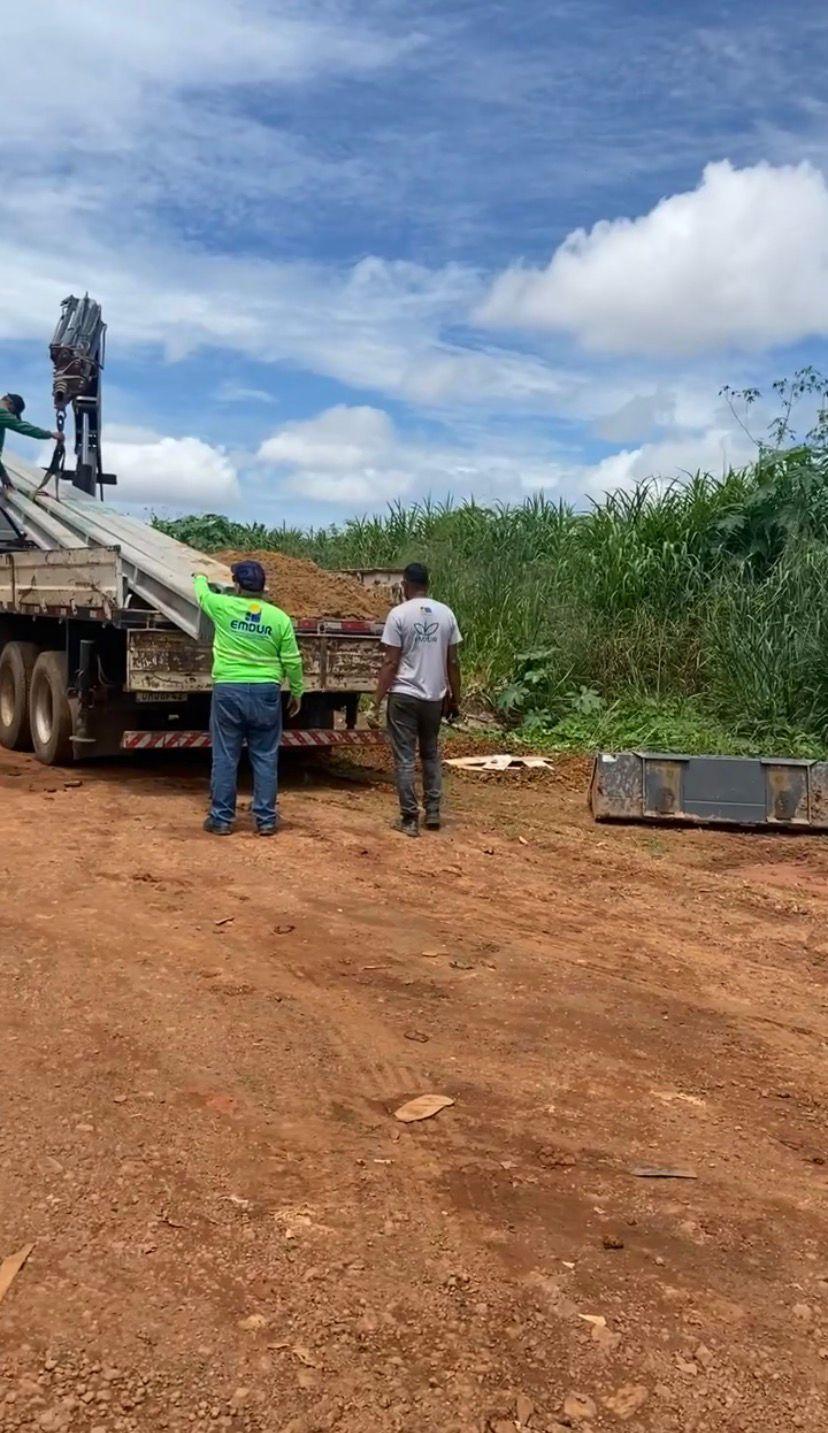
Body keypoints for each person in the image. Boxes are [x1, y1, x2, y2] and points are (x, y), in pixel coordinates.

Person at [193, 559, 304, 836]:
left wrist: (200, 577)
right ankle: (265, 820)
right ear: (263, 588)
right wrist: (298, 692)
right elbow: (293, 661)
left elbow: (202, 595)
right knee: (266, 756)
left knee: (226, 755)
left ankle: (221, 819)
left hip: (229, 690)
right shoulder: (279, 618)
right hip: (267, 692)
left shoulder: (223, 606)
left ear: (237, 586)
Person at [372, 561, 461, 837]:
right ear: (428, 585)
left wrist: (376, 700)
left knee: (405, 758)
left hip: (404, 695)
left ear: (405, 585)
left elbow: (390, 663)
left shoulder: (398, 614)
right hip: (434, 697)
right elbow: (453, 661)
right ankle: (433, 811)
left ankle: (409, 818)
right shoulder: (446, 614)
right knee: (431, 753)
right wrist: (455, 697)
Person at [0, 394, 63, 491]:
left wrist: (3, 474)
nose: (11, 416)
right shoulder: (2, 413)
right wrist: (50, 434)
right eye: (13, 413)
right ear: (9, 403)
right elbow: (23, 427)